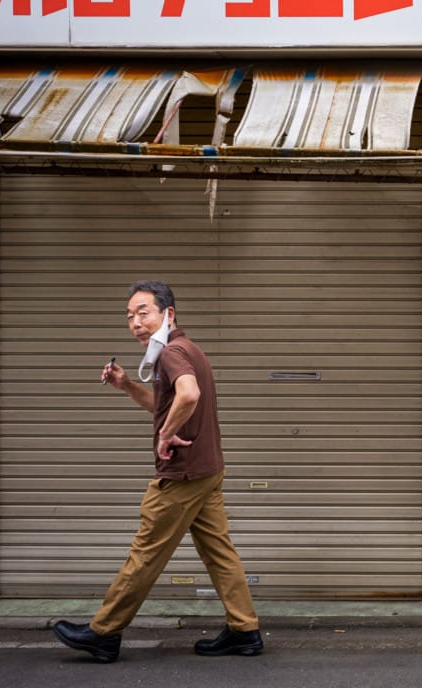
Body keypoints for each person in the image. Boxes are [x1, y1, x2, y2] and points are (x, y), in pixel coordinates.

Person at [54, 280, 263, 663]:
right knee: (220, 553)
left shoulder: (171, 353)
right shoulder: (188, 349)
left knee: (146, 552)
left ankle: (103, 632)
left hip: (182, 474)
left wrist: (166, 435)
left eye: (143, 312)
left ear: (168, 313)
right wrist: (127, 385)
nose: (135, 322)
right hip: (207, 470)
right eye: (130, 315)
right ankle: (244, 630)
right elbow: (165, 404)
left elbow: (188, 396)